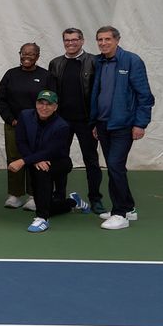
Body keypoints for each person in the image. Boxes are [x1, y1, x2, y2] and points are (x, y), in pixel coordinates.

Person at [90, 26, 154, 230]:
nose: (103, 43)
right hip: (103, 124)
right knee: (114, 167)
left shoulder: (132, 60)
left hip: (123, 125)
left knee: (116, 166)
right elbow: (97, 93)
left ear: (117, 40)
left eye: (107, 39)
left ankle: (120, 214)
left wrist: (140, 123)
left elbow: (145, 96)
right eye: (99, 39)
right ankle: (129, 207)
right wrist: (95, 122)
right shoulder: (99, 62)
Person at [10, 90, 90, 233]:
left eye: (49, 104)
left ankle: (42, 219)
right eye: (41, 103)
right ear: (36, 104)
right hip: (36, 160)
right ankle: (73, 202)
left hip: (60, 162)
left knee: (42, 171)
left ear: (55, 107)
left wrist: (23, 161)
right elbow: (21, 142)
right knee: (47, 204)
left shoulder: (62, 126)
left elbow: (50, 151)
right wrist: (34, 160)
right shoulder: (25, 116)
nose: (44, 108)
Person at [47, 27, 103, 214]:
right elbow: (52, 94)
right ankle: (59, 195)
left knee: (91, 160)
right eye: (67, 40)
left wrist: (96, 119)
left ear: (82, 41)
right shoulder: (55, 63)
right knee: (60, 159)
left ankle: (95, 198)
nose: (70, 43)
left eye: (74, 40)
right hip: (62, 121)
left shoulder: (94, 61)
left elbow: (99, 92)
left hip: (86, 121)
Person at [0, 43, 49, 210]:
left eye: (31, 54)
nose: (27, 56)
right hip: (14, 125)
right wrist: (11, 119)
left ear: (38, 56)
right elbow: (1, 99)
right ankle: (15, 195)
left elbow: (51, 101)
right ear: (20, 54)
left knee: (35, 158)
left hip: (38, 126)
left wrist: (41, 119)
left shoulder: (45, 76)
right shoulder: (11, 75)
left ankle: (34, 195)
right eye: (24, 53)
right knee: (14, 158)